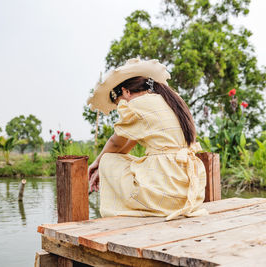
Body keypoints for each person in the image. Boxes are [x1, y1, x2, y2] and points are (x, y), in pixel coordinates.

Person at [87, 58, 208, 221]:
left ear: (126, 92)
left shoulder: (138, 103)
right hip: (190, 191)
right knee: (122, 161)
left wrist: (97, 164)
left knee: (108, 160)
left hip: (168, 189)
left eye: (119, 103)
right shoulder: (172, 100)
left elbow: (116, 143)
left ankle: (136, 208)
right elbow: (125, 147)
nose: (121, 108)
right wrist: (100, 169)